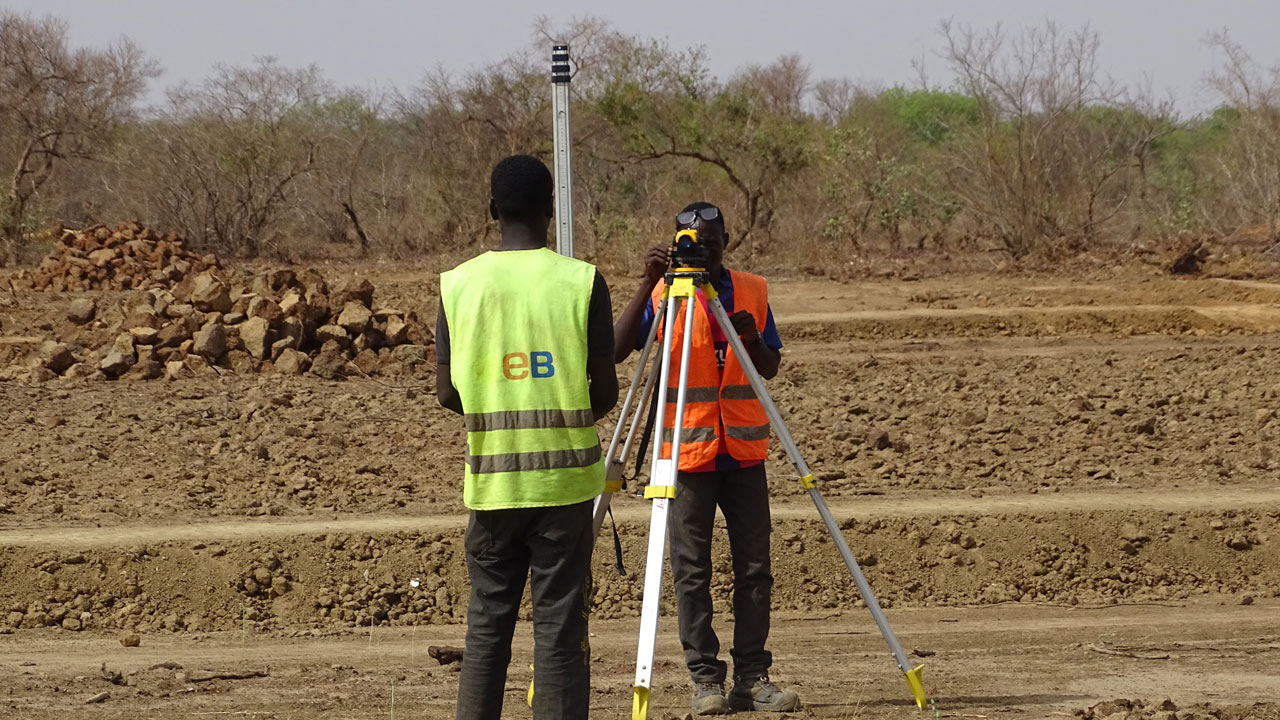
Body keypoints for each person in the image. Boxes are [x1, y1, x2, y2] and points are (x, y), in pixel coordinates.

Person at [437, 154, 618, 720]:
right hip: (564, 487)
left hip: (493, 486)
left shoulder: (458, 284)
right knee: (561, 631)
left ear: (491, 210)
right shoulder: (582, 282)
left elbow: (447, 394)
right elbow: (604, 393)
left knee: (487, 630)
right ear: (552, 209)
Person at [613, 202, 799, 715]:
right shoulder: (666, 293)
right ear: (677, 243)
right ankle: (705, 681)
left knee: (755, 568)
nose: (702, 249)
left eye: (711, 240)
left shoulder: (753, 291)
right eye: (691, 241)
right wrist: (648, 283)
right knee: (690, 571)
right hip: (686, 454)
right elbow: (614, 349)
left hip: (742, 455)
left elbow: (771, 367)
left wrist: (750, 337)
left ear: (727, 240)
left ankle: (753, 676)